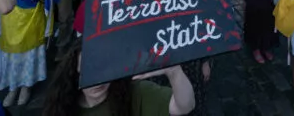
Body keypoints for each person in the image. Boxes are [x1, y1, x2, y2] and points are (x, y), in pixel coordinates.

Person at [42, 40, 195, 116]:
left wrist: (174, 71)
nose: (98, 80)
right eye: (90, 72)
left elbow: (184, 106)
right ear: (75, 70)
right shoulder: (61, 105)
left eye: (105, 70)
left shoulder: (134, 93)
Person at [157, 0, 210, 116]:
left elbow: (201, 14)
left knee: (193, 89)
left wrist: (205, 59)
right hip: (166, 38)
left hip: (189, 40)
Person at [0, 0, 54, 107]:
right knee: (15, 56)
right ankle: (13, 87)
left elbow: (46, 1)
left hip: (34, 21)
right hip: (16, 22)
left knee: (30, 55)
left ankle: (26, 87)